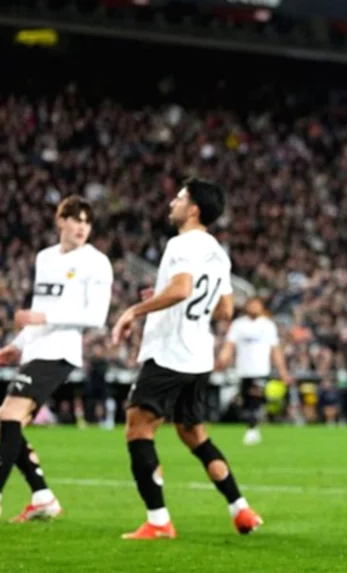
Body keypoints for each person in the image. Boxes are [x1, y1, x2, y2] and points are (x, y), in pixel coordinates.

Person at [111, 178, 263, 539]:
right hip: (198, 357)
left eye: (179, 198)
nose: (172, 203)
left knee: (138, 428)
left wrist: (134, 310)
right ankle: (240, 509)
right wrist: (163, 297)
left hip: (170, 353)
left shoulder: (181, 244)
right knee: (193, 433)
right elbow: (224, 311)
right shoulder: (219, 253)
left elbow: (181, 290)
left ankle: (158, 521)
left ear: (193, 209)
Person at [0, 195, 113, 522]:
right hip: (35, 350)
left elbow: (96, 316)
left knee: (8, 415)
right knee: (8, 422)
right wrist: (17, 344)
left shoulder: (96, 262)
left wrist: (44, 318)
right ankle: (42, 497)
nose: (82, 226)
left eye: (87, 221)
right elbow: (40, 307)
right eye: (75, 219)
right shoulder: (45, 258)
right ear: (60, 220)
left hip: (61, 351)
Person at [217, 297, 292, 445]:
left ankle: (252, 429)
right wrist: (222, 360)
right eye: (251, 305)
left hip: (261, 369)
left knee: (254, 399)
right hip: (243, 370)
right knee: (245, 401)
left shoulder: (267, 325)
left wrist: (282, 371)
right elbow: (229, 345)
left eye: (256, 305)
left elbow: (275, 349)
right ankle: (253, 427)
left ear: (261, 307)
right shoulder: (238, 325)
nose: (254, 308)